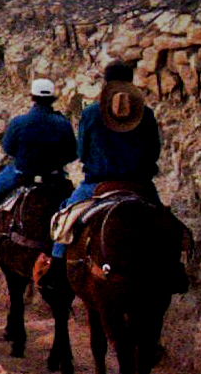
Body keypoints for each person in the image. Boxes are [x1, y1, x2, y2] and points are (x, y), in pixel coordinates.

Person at [47, 60, 161, 261]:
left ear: (106, 83)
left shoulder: (91, 112)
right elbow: (154, 153)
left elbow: (81, 152)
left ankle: (56, 267)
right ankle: (174, 269)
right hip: (140, 185)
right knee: (165, 225)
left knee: (65, 222)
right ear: (130, 83)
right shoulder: (147, 114)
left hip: (97, 185)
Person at [0, 78, 76, 263]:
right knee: (76, 206)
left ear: (32, 97)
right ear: (52, 99)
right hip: (54, 179)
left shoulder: (19, 122)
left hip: (21, 174)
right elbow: (72, 153)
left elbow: (8, 149)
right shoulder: (63, 123)